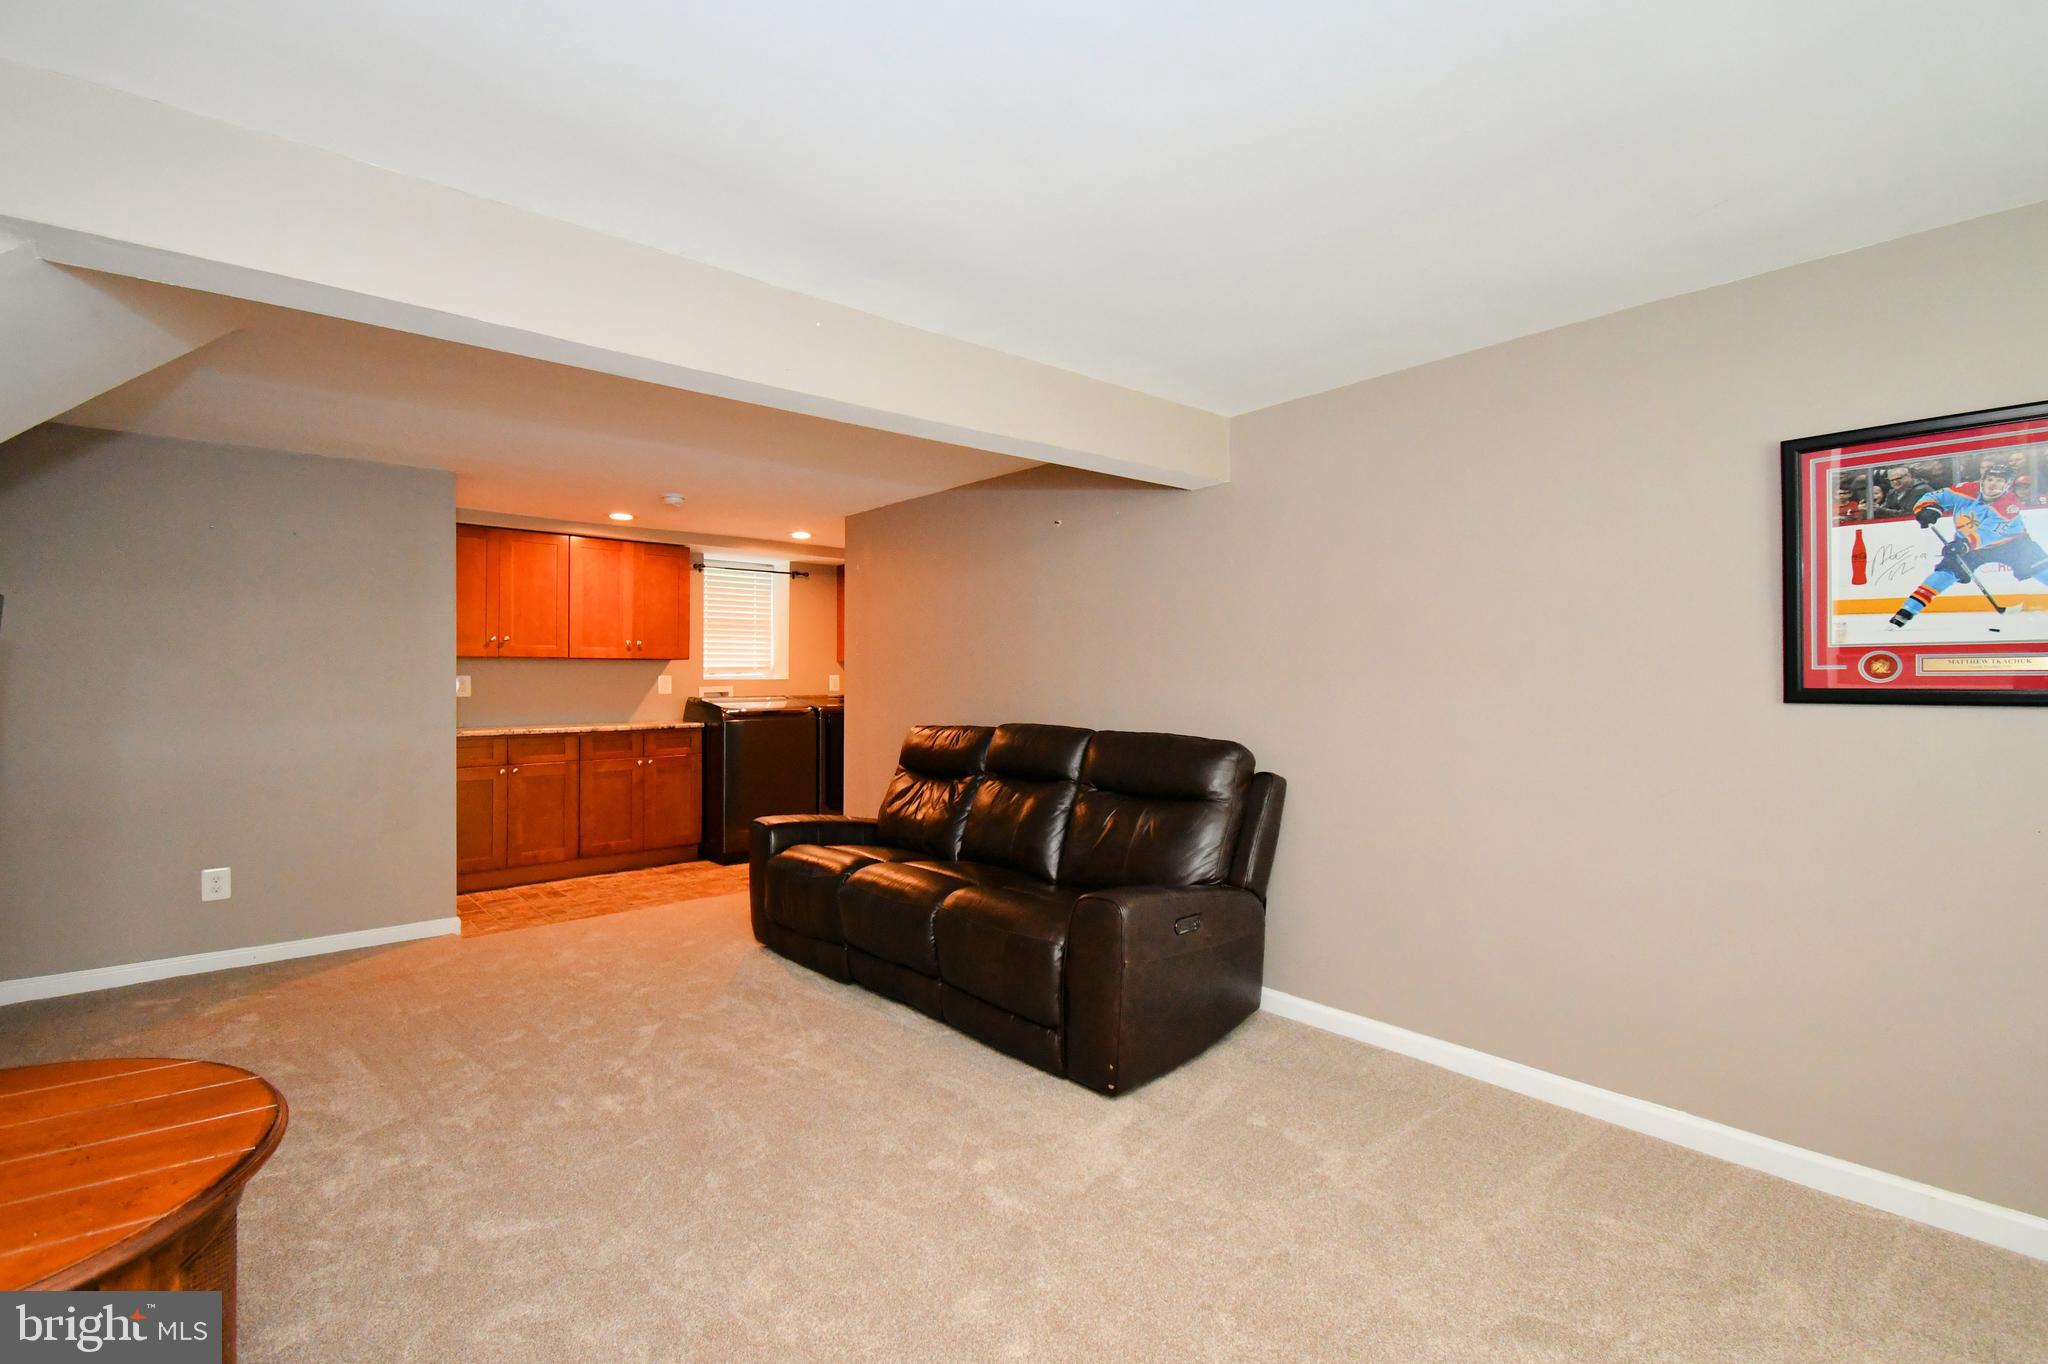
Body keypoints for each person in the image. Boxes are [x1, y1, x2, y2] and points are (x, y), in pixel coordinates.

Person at [1889, 461, 2048, 626]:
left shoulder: (2010, 505)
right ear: (1983, 480)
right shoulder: (1966, 490)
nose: (1994, 484)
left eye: (2000, 481)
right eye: (1990, 479)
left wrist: (1964, 545)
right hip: (1967, 543)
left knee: (2041, 568)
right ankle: (1906, 612)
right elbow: (1932, 497)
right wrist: (1927, 509)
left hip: (2014, 544)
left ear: (2008, 485)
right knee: (1945, 572)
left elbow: (1988, 533)